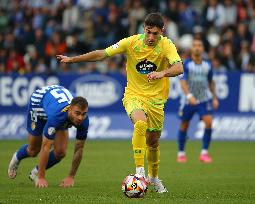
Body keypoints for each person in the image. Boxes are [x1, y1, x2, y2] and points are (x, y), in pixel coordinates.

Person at [57, 13, 183, 193]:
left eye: (155, 33)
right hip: (134, 95)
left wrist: (162, 73)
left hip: (156, 100)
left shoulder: (166, 45)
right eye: (148, 32)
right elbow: (102, 54)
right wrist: (72, 59)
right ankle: (140, 173)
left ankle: (153, 178)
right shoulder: (131, 42)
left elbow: (179, 67)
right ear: (143, 29)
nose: (150, 37)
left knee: (153, 142)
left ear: (161, 32)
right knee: (140, 123)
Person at [8, 85, 89, 188]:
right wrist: (41, 177)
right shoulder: (57, 116)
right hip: (38, 104)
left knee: (60, 152)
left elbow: (79, 148)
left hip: (55, 105)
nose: (80, 118)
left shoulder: (83, 120)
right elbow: (46, 147)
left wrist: (71, 176)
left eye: (83, 114)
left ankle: (35, 172)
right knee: (33, 150)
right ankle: (16, 157)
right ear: (69, 109)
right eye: (77, 113)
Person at [177, 37, 219, 163]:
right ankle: (181, 153)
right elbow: (183, 82)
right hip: (188, 101)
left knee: (209, 122)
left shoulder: (208, 65)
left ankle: (204, 153)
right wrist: (189, 96)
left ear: (203, 48)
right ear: (191, 48)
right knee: (184, 125)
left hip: (203, 99)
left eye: (199, 45)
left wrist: (215, 97)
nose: (197, 47)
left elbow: (211, 82)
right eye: (194, 45)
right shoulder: (187, 65)